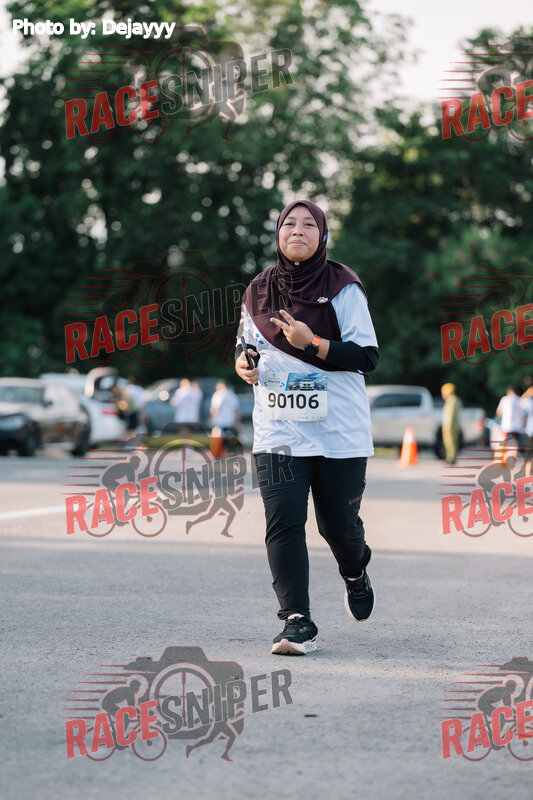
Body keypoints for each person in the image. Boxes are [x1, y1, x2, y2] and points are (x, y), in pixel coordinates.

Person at [235, 199, 379, 656]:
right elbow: (245, 346)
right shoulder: (257, 290)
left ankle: (355, 569)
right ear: (278, 233)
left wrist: (311, 342)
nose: (297, 230)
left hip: (339, 432)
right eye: (289, 224)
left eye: (308, 224)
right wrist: (243, 364)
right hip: (278, 430)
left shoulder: (343, 286)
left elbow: (367, 357)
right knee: (283, 522)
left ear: (323, 235)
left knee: (339, 527)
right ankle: (296, 620)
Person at [496, 385, 526, 450]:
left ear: (509, 391)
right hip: (517, 427)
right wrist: (524, 425)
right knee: (515, 444)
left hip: (506, 426)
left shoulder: (504, 399)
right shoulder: (520, 400)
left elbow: (498, 412)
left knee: (505, 444)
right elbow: (523, 415)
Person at [441, 383, 462, 464]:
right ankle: (452, 458)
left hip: (450, 426)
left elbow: (450, 415)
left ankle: (451, 458)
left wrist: (448, 427)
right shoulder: (457, 400)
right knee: (454, 442)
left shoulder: (451, 401)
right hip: (455, 425)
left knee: (449, 443)